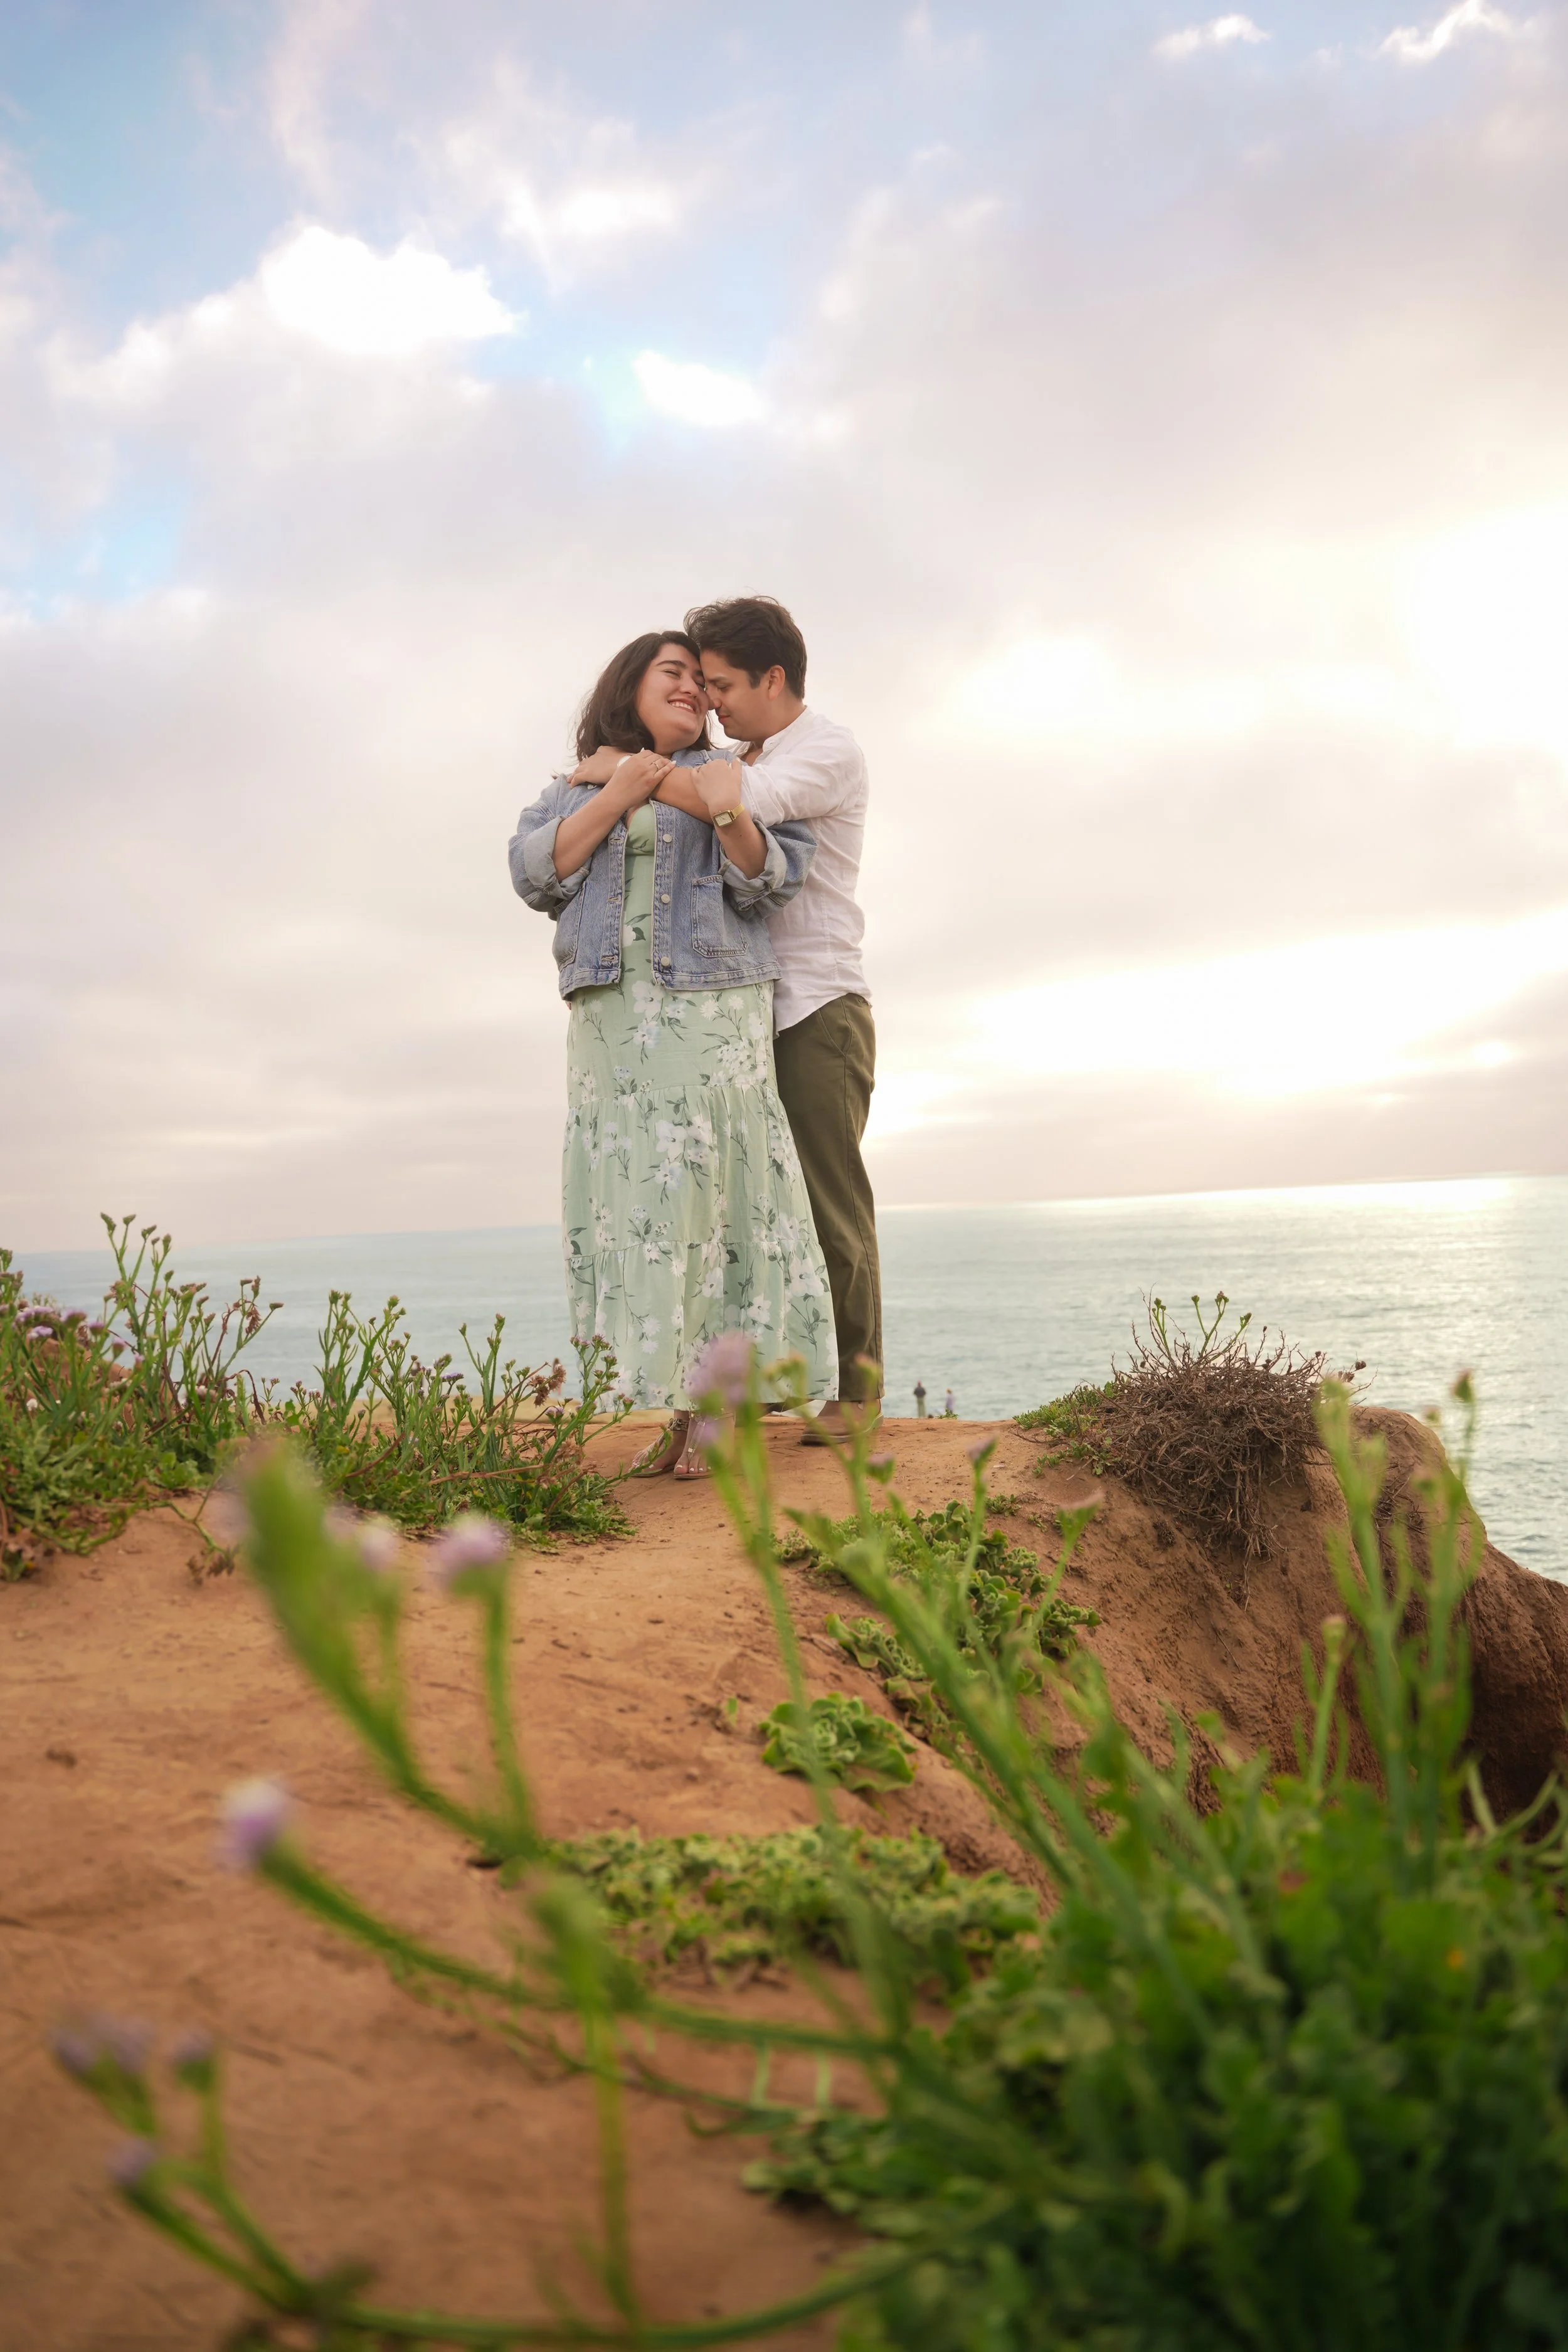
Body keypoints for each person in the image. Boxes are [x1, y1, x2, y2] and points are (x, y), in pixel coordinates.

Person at [508, 631, 835, 1477]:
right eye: (674, 673)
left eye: (701, 678)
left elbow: (771, 876)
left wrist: (715, 801)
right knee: (643, 1207)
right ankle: (682, 1411)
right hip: (611, 1024)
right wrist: (620, 787)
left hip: (709, 1011)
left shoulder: (736, 775)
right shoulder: (574, 786)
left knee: (715, 1199)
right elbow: (535, 872)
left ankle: (725, 1402)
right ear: (630, 684)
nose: (693, 687)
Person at [574, 596, 879, 1443]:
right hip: (746, 1015)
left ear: (771, 678)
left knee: (828, 1200)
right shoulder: (748, 749)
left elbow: (730, 805)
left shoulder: (824, 750)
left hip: (819, 1002)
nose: (710, 702)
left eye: (720, 685)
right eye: (699, 684)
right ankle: (770, 1382)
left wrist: (621, 771)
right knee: (759, 1210)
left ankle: (856, 1396)